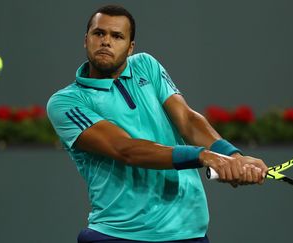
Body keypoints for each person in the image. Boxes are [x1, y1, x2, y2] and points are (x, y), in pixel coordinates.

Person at [47, 4, 268, 243]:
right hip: (120, 234)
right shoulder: (66, 102)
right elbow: (125, 148)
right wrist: (204, 156)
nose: (106, 41)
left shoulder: (146, 65)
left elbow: (187, 120)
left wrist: (232, 155)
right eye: (99, 33)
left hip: (189, 230)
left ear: (130, 47)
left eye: (117, 36)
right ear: (86, 39)